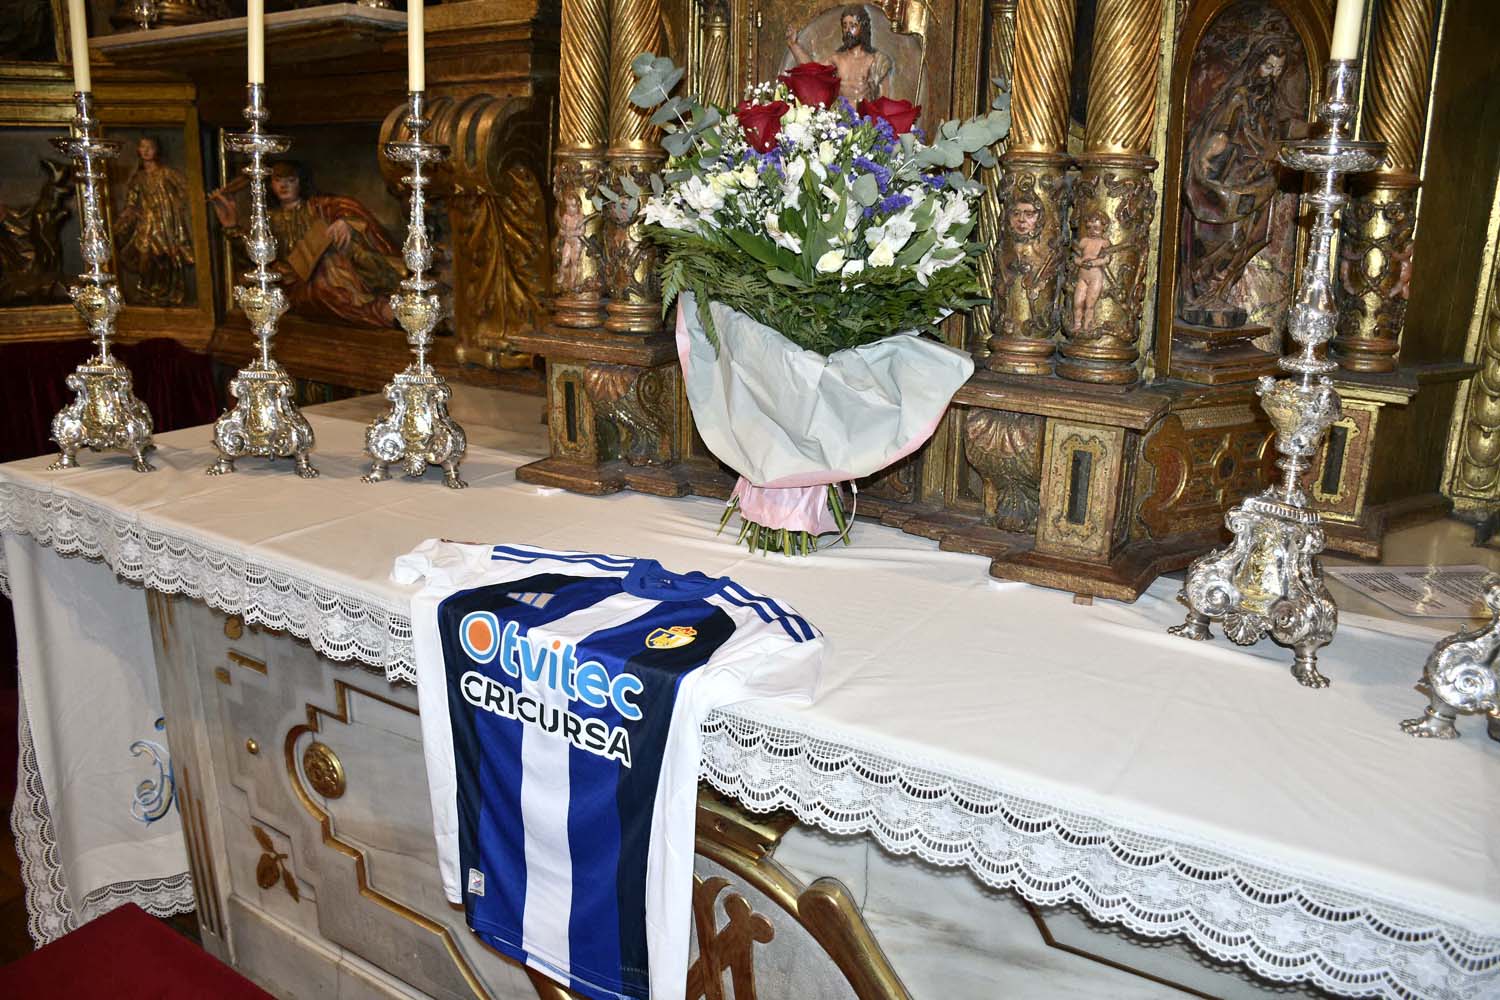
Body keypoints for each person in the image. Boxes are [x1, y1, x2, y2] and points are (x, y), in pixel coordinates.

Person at [1179, 36, 1299, 328]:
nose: (1272, 74)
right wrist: (1207, 155)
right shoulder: (1239, 96)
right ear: (1255, 63)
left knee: (1247, 238)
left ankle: (1217, 293)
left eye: (1278, 69)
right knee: (1225, 237)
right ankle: (1201, 295)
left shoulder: (1267, 102)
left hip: (1255, 181)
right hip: (1229, 181)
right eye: (1268, 66)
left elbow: (1278, 129)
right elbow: (1221, 130)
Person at [210, 161, 404, 328]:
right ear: (271, 184)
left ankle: (390, 307)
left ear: (301, 183)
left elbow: (344, 207)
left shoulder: (317, 206)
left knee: (334, 269)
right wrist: (231, 226)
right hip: (291, 281)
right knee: (326, 291)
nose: (284, 186)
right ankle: (385, 313)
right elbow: (254, 255)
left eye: (290, 181)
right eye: (278, 181)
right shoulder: (269, 218)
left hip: (332, 273)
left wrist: (345, 222)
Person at [114, 137, 195, 306]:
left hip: (165, 223)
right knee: (145, 258)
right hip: (146, 224)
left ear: (157, 150)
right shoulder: (138, 177)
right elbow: (131, 201)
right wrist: (126, 217)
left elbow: (186, 189)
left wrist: (177, 206)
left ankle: (167, 291)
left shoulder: (166, 173)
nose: (146, 150)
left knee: (164, 257)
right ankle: (147, 290)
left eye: (149, 147)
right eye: (142, 147)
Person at [786, 5, 893, 105]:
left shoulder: (876, 61)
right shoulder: (837, 59)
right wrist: (794, 45)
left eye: (853, 25)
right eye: (845, 25)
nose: (848, 30)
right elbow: (812, 70)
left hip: (865, 122)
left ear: (863, 28)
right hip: (840, 120)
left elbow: (884, 101)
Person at [1071, 212, 1113, 335]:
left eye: (1096, 228)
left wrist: (1093, 263)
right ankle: (1077, 325)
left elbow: (1106, 259)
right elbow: (1075, 257)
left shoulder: (1104, 243)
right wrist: (1079, 261)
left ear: (1104, 227)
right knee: (1078, 302)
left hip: (1095, 276)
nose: (1092, 231)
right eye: (1089, 227)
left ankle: (1087, 326)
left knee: (1090, 303)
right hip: (1082, 276)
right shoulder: (1084, 241)